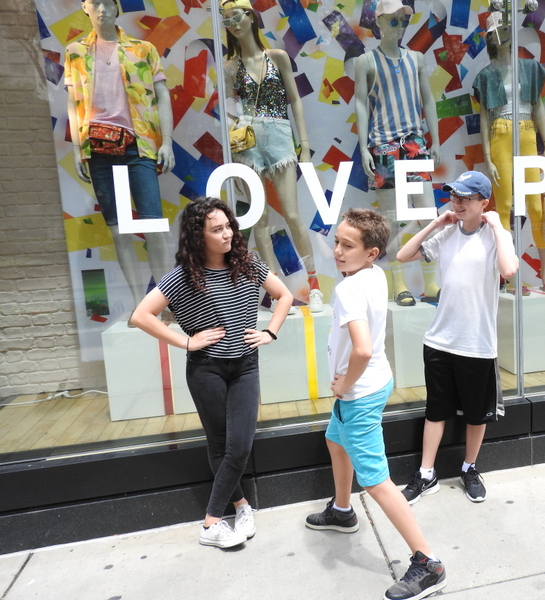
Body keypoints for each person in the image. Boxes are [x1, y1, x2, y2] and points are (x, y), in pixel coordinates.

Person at [130, 196, 293, 549]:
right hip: (207, 369)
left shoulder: (248, 263)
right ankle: (240, 506)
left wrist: (270, 332)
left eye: (228, 226)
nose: (227, 234)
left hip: (245, 365)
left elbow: (284, 296)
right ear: (198, 236)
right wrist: (186, 342)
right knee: (219, 444)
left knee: (240, 445)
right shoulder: (183, 276)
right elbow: (140, 316)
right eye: (217, 229)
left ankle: (211, 521)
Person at [304, 208, 446, 600]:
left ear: (370, 252)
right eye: (337, 242)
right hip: (377, 382)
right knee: (335, 440)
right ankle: (343, 510)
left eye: (347, 246)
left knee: (377, 482)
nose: (337, 251)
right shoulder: (373, 274)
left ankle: (428, 564)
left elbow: (362, 349)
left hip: (359, 393)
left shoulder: (348, 289)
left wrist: (344, 384)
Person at [397, 171, 519, 504]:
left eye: (466, 198)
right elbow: (403, 255)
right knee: (435, 411)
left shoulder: (496, 237)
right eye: (454, 196)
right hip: (439, 340)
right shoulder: (447, 233)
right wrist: (436, 223)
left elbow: (508, 270)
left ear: (484, 203)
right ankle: (426, 474)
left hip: (477, 344)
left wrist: (498, 227)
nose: (458, 203)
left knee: (477, 415)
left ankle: (469, 468)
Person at [66, 0, 175, 312]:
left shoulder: (143, 49)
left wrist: (166, 142)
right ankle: (141, 306)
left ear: (117, 7)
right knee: (119, 232)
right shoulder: (75, 51)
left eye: (107, 2)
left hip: (138, 145)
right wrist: (77, 149)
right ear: (85, 8)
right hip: (98, 149)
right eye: (94, 3)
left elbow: (162, 97)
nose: (101, 8)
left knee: (154, 228)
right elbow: (73, 102)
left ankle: (168, 303)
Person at [220, 0, 323, 311]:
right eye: (226, 21)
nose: (233, 25)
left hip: (279, 137)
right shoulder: (230, 67)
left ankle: (314, 285)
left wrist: (303, 145)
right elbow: (228, 111)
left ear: (251, 17)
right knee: (260, 219)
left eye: (236, 17)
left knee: (292, 214)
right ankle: (277, 291)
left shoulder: (277, 57)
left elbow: (295, 100)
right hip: (248, 142)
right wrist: (233, 153)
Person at [354, 0, 441, 306]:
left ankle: (431, 282)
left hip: (414, 143)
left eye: (403, 21)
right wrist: (364, 146)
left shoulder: (416, 58)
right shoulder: (366, 61)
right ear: (379, 22)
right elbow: (360, 103)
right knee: (392, 220)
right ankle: (399, 285)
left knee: (427, 215)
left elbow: (428, 100)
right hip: (384, 146)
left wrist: (435, 140)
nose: (400, 26)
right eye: (393, 20)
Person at [473, 12, 545, 292]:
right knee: (504, 206)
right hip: (500, 132)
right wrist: (487, 156)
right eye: (499, 30)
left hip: (527, 131)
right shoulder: (486, 75)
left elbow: (537, 105)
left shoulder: (529, 68)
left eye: (507, 28)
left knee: (535, 205)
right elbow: (484, 116)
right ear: (490, 38)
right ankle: (510, 276)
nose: (505, 34)